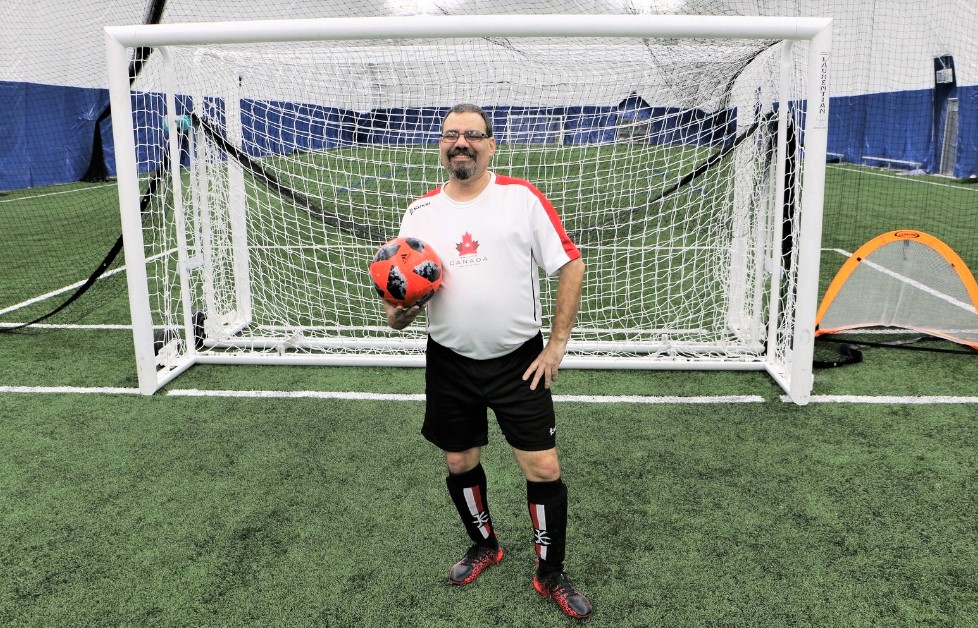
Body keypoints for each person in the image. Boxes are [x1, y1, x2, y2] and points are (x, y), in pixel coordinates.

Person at [383, 103, 592, 620]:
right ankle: (485, 545)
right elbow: (400, 307)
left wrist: (557, 345)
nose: (462, 143)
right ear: (440, 146)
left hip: (519, 361)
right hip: (450, 360)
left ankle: (550, 571)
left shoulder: (520, 199)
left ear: (490, 145)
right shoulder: (420, 212)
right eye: (451, 135)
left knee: (543, 466)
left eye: (472, 135)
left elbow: (570, 264)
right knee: (459, 460)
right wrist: (400, 312)